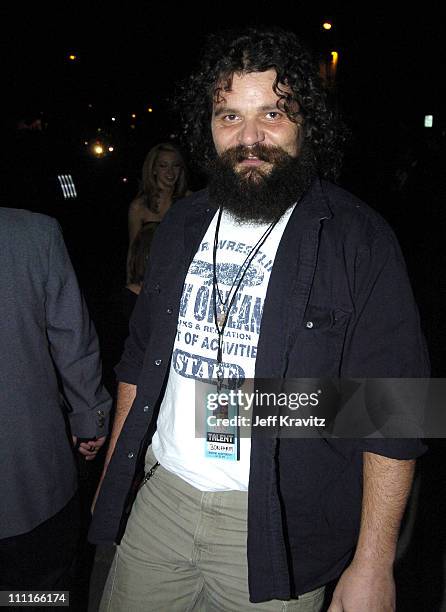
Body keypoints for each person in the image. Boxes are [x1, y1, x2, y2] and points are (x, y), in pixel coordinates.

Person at [90, 27, 430, 611]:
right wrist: (112, 481)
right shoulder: (179, 226)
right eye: (229, 116)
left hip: (279, 525)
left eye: (272, 113)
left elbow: (397, 408)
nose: (250, 138)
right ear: (210, 127)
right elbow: (136, 363)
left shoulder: (360, 238)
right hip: (162, 496)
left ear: (305, 123)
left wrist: (373, 563)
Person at [0, 207, 112, 592]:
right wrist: (89, 418)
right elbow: (73, 339)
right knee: (35, 593)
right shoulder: (33, 234)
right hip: (29, 483)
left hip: (28, 485)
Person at [126, 142, 190, 281]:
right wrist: (130, 287)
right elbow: (133, 252)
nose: (170, 172)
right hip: (149, 280)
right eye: (163, 166)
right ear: (153, 169)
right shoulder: (139, 207)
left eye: (175, 165)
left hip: (180, 278)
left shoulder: (191, 202)